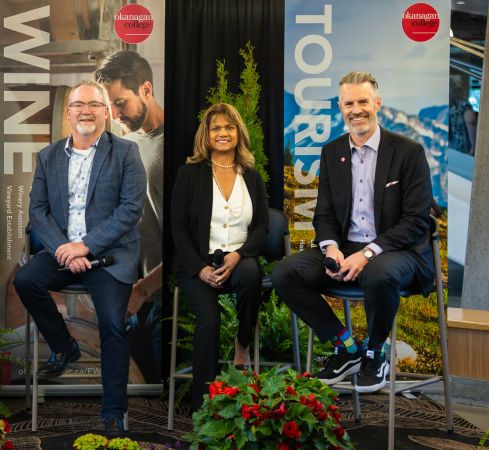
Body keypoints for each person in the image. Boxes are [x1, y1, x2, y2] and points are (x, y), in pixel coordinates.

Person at [271, 71, 434, 393]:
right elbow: (325, 213)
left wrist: (368, 253)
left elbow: (416, 221)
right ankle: (345, 347)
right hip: (346, 248)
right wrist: (331, 249)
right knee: (284, 273)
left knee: (378, 275)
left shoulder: (408, 152)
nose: (356, 109)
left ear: (377, 103)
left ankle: (375, 352)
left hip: (398, 251)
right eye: (349, 103)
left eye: (363, 101)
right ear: (340, 107)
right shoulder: (332, 152)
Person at [13, 81, 146, 432]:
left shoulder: (127, 152)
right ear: (69, 112)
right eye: (78, 104)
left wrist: (85, 246)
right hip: (62, 249)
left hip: (110, 255)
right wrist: (64, 249)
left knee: (113, 325)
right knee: (25, 280)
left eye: (94, 104)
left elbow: (131, 210)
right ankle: (64, 345)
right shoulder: (49, 156)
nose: (85, 110)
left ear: (106, 111)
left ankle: (113, 414)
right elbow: (38, 212)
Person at [171, 103, 268, 410]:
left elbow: (263, 226)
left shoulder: (251, 175)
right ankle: (204, 404)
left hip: (239, 260)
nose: (223, 133)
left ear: (239, 133)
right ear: (206, 135)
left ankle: (242, 344)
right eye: (216, 128)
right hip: (197, 266)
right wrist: (199, 268)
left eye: (229, 127)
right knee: (209, 322)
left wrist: (240, 255)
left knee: (252, 276)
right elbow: (179, 227)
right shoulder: (189, 174)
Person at [93, 50, 164, 322]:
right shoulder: (130, 141)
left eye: (120, 103)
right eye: (109, 105)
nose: (114, 114)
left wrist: (143, 291)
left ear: (146, 89)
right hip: (135, 294)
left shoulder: (177, 147)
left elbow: (188, 240)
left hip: (161, 298)